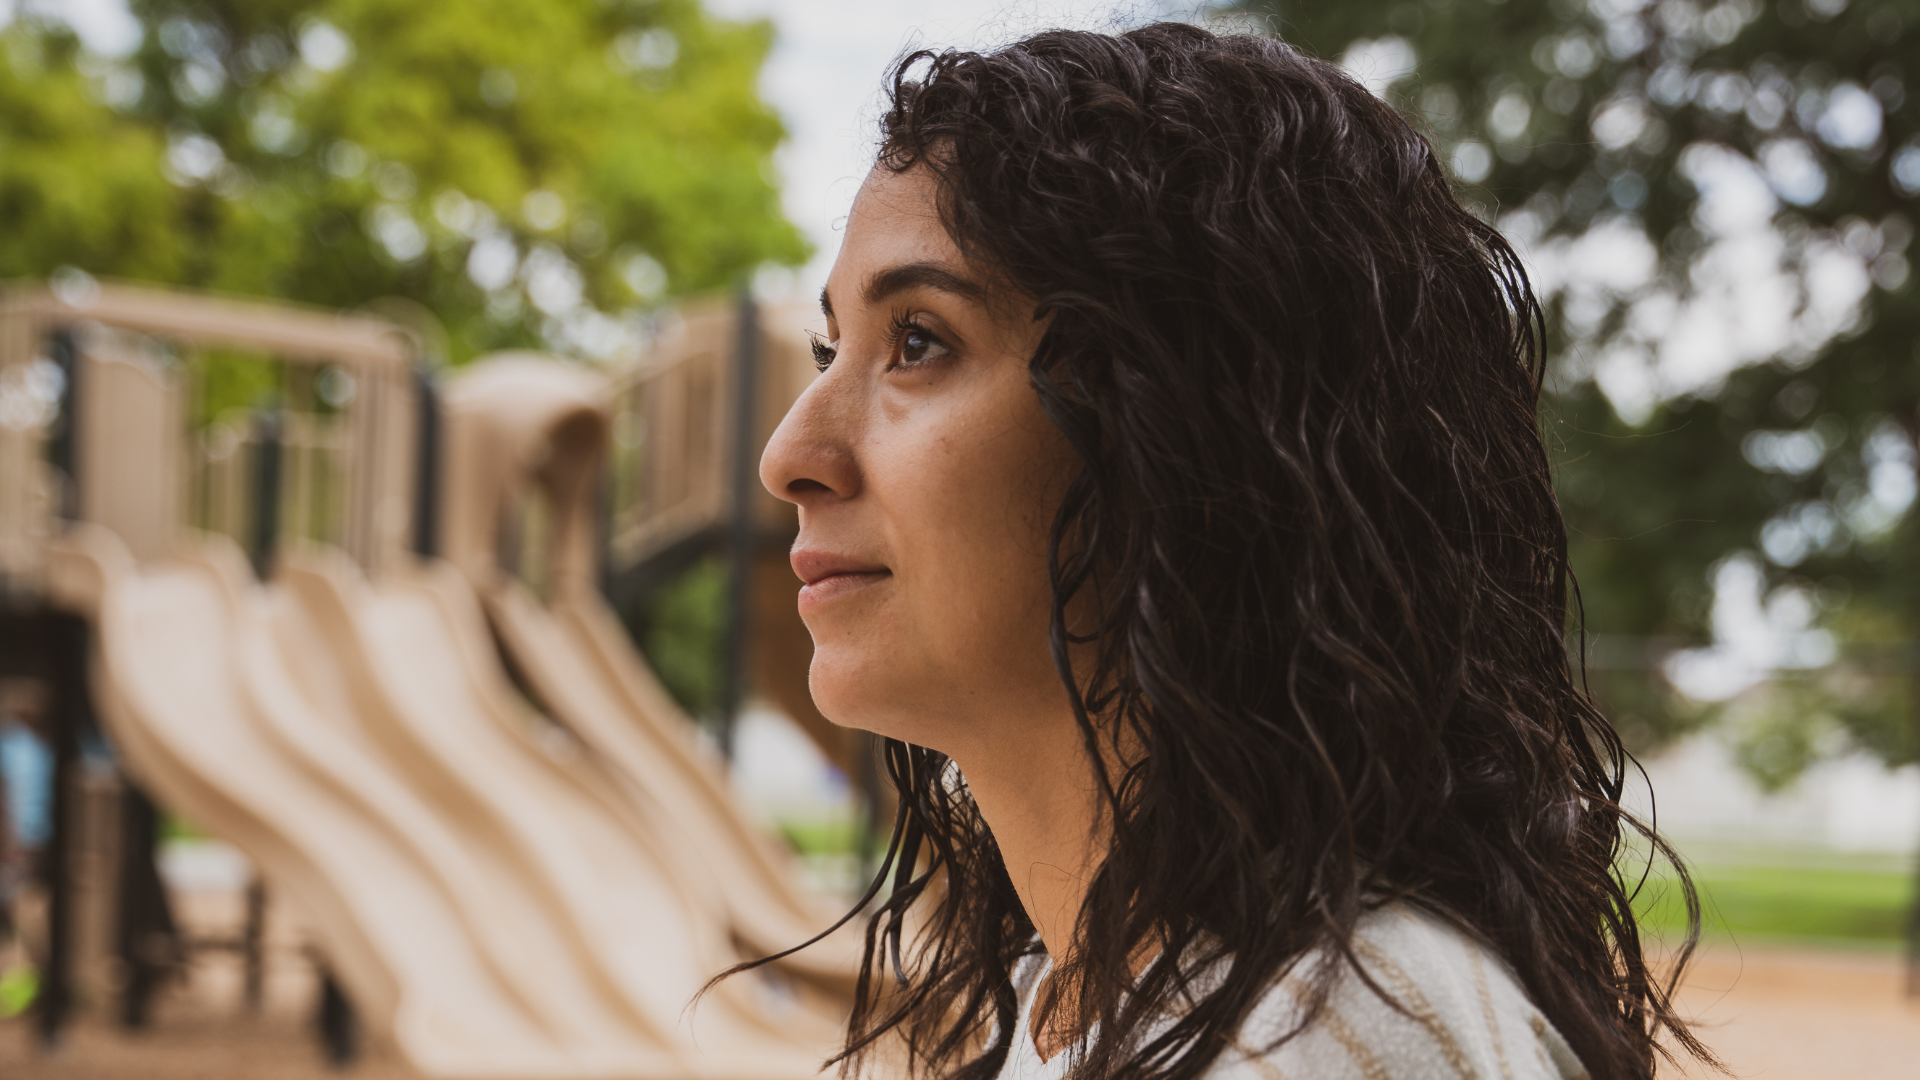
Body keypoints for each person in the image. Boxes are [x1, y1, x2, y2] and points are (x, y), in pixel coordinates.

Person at [753, 22, 1710, 1080]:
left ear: (1182, 428)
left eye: (918, 342)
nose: (789, 456)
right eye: (829, 350)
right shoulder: (1092, 1003)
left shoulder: (1340, 1028)